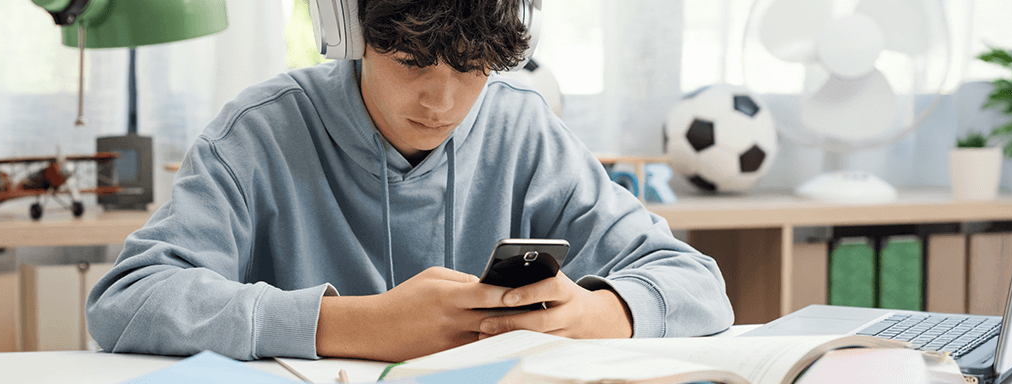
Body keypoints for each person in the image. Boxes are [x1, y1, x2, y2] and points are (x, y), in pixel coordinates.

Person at [86, 0, 733, 362]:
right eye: (412, 62)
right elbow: (128, 298)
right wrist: (352, 325)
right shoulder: (258, 133)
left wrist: (593, 313)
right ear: (349, 30)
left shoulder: (523, 130)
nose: (442, 102)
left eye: (472, 68)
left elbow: (697, 284)